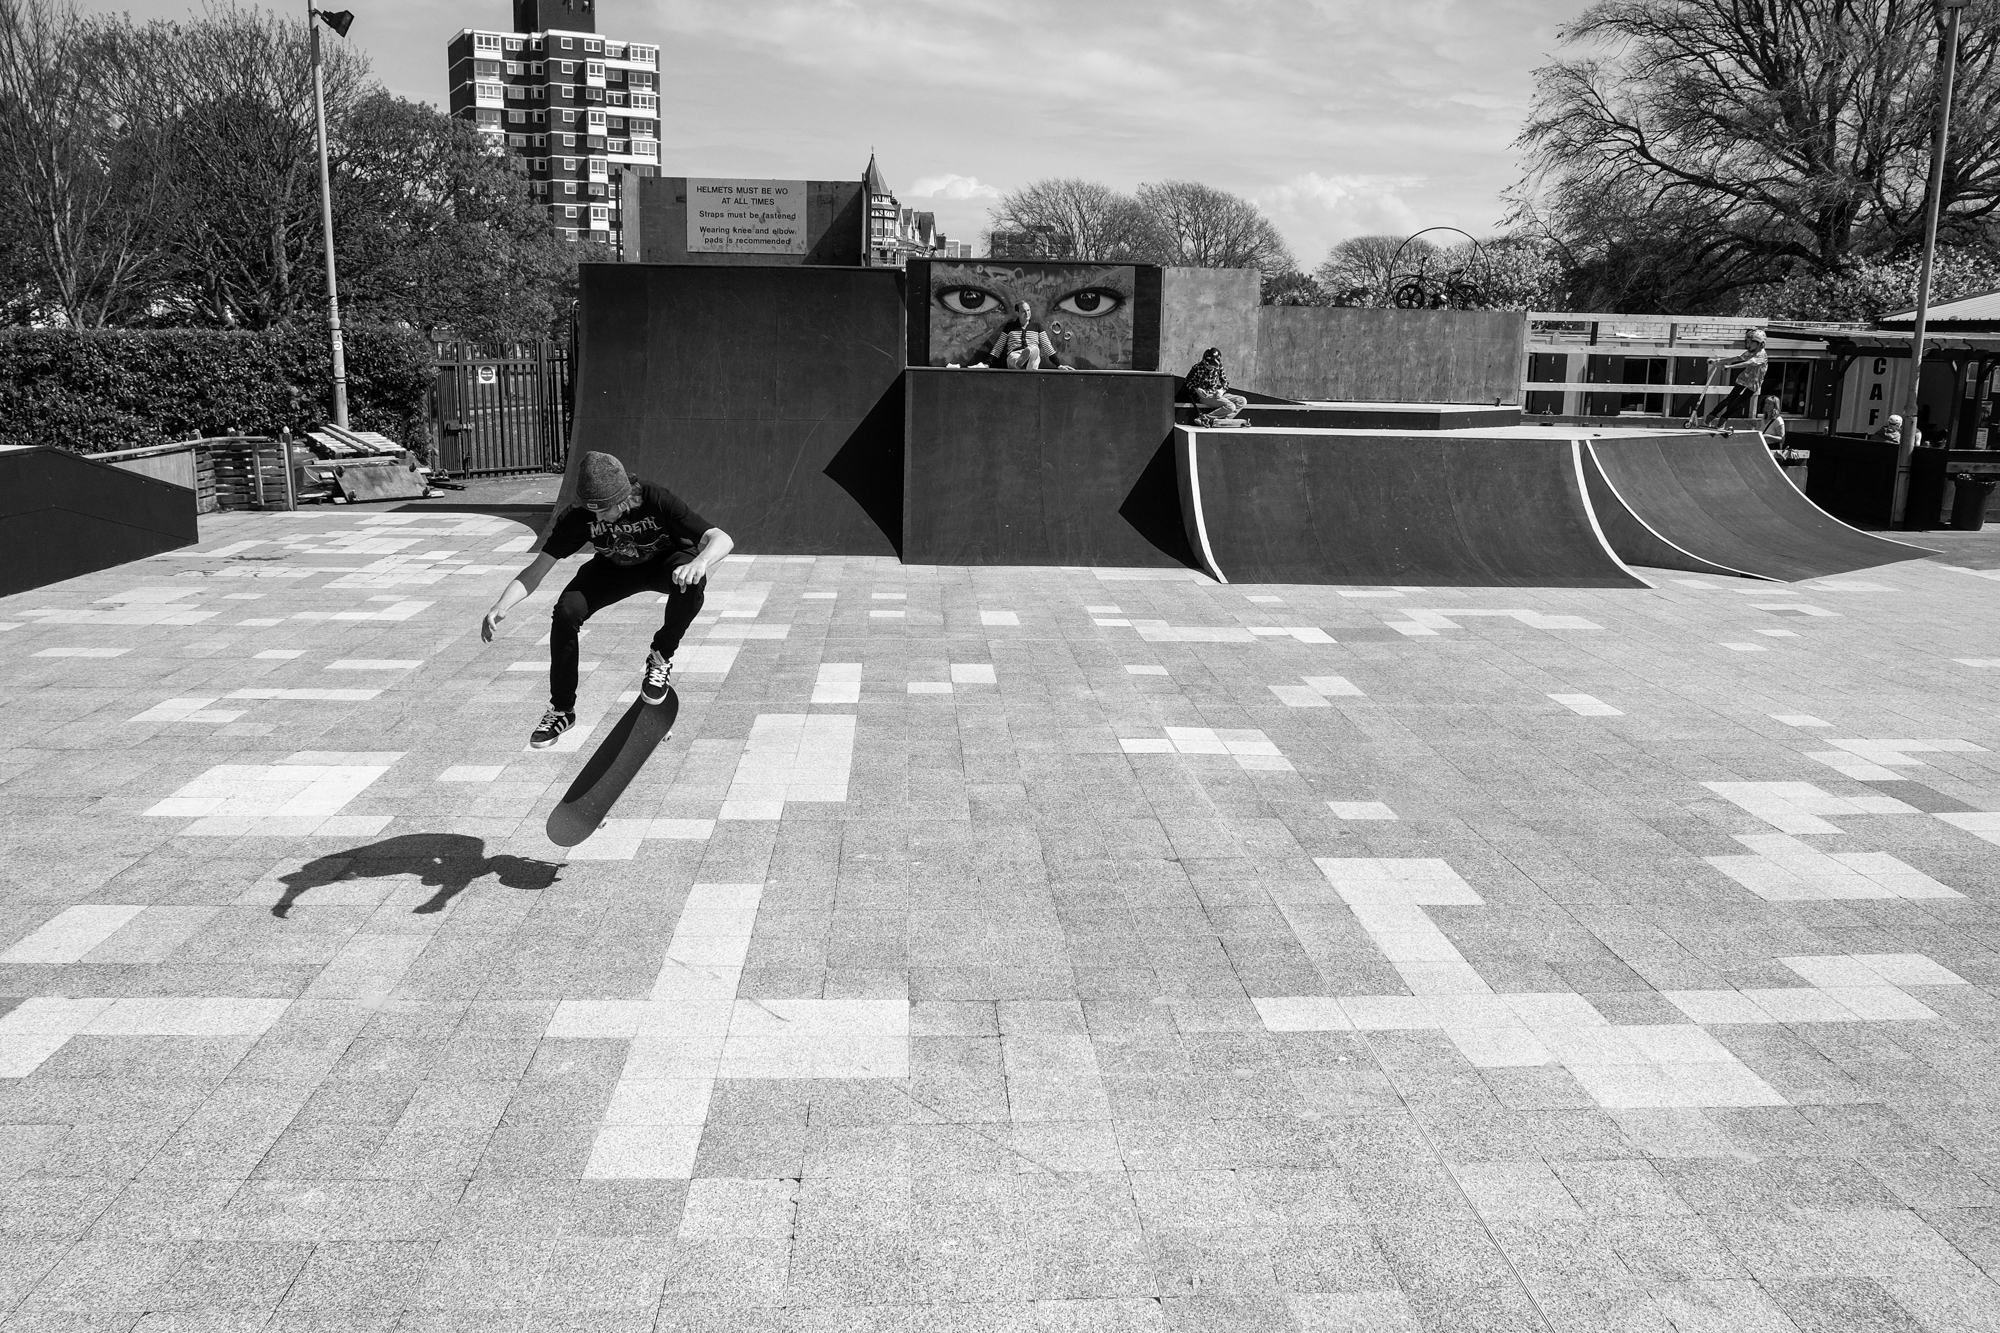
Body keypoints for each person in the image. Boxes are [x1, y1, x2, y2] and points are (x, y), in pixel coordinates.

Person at [481, 451, 733, 748]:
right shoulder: (578, 518)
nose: (598, 518)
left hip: (664, 563)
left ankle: (660, 657)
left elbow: (721, 538)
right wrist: (502, 604)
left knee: (691, 583)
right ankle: (562, 710)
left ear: (623, 498)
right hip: (612, 570)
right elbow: (537, 570)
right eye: (593, 512)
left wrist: (700, 563)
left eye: (604, 510)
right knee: (566, 611)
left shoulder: (655, 498)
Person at [1702, 328, 1768, 426]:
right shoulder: (1749, 352)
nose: (1748, 345)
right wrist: (1718, 361)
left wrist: (1730, 366)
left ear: (1760, 344)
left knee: (1739, 404)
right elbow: (1737, 358)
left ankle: (1722, 420)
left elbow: (1747, 362)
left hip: (1754, 383)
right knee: (1729, 400)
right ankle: (1709, 418)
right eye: (1747, 342)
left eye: (1751, 342)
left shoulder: (1761, 355)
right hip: (1744, 379)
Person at [985, 299, 1063, 369]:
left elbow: (1047, 346)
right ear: (1017, 313)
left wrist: (1059, 365)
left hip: (1033, 356)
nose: (1027, 313)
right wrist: (987, 363)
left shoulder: (1037, 326)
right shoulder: (1010, 327)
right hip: (1015, 354)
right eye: (1023, 311)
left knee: (1035, 351)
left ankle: (1028, 364)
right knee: (1014, 358)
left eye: (1028, 310)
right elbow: (999, 346)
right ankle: (1020, 363)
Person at [1185, 347, 1248, 425]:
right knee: (1230, 406)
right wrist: (1196, 389)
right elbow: (1187, 382)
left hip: (1216, 393)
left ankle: (1224, 420)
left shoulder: (1219, 366)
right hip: (1205, 395)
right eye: (1209, 366)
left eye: (1213, 366)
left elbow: (1225, 382)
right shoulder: (1197, 367)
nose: (1211, 368)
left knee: (1242, 400)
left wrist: (1221, 390)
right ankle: (1205, 418)